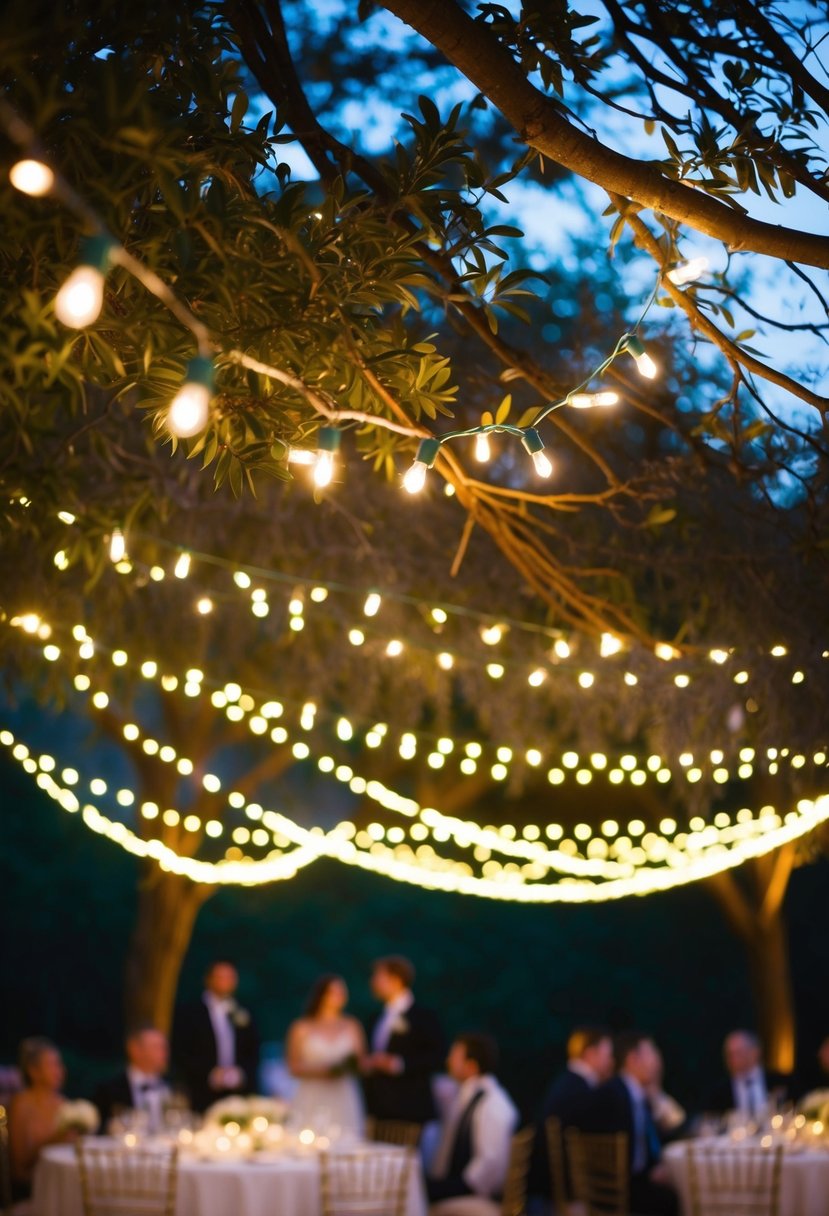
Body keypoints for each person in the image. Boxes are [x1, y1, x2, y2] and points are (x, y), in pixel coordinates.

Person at [591, 1032, 679, 1216]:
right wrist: (650, 1172)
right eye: (652, 1054)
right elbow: (616, 1155)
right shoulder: (613, 1095)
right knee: (674, 1198)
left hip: (636, 1179)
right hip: (620, 1189)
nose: (657, 1062)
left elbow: (662, 1132)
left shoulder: (635, 1093)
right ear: (633, 1059)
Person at [428, 1033, 518, 1205]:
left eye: (454, 1056)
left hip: (479, 1193)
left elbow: (491, 1161)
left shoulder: (492, 1102)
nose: (448, 1061)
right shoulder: (468, 1095)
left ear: (471, 1066)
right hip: (467, 1185)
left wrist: (457, 1187)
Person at [531, 1025, 614, 1200]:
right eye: (607, 1054)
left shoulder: (568, 1082)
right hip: (565, 1190)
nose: (611, 1061)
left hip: (547, 1185)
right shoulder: (581, 1090)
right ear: (591, 1053)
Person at [362, 955, 445, 1125]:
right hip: (378, 1109)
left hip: (409, 1109)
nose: (373, 982)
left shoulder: (424, 1017)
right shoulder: (375, 1018)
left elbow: (437, 1057)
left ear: (395, 980)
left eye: (378, 977)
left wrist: (397, 1063)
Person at [173, 959, 260, 1112]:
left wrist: (240, 1073)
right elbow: (181, 1051)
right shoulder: (189, 1012)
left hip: (238, 1094)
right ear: (208, 980)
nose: (225, 982)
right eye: (220, 977)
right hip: (200, 1092)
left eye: (229, 977)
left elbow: (253, 1050)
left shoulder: (245, 1011)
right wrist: (210, 1074)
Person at [286, 974, 366, 1138]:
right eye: (333, 992)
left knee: (347, 1139)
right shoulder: (301, 1027)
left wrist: (347, 1068)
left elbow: (361, 1062)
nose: (339, 996)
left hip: (343, 1094)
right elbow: (293, 1066)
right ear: (321, 995)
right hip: (312, 1095)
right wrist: (323, 1070)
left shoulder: (352, 1025)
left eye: (342, 992)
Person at [8, 1038, 76, 1200]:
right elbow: (19, 1167)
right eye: (52, 1065)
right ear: (34, 1071)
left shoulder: (65, 1104)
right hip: (34, 1190)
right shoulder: (21, 1104)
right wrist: (56, 1138)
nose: (59, 1071)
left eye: (59, 1065)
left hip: (64, 1182)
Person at [94, 1025, 171, 1133]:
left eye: (165, 1047)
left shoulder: (172, 1086)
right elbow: (98, 1130)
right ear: (134, 1049)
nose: (165, 1053)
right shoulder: (109, 1090)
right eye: (156, 1047)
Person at [704, 1030, 790, 1118]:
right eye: (729, 1054)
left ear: (755, 1052)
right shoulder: (718, 1092)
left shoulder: (781, 1081)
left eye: (738, 1053)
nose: (733, 1059)